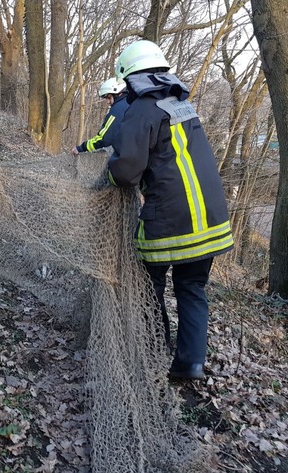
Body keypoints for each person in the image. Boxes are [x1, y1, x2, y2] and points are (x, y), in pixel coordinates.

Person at [107, 40, 234, 380]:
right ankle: (190, 364)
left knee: (151, 286)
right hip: (211, 219)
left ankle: (153, 347)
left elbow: (126, 171)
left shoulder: (141, 111)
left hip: (169, 220)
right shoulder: (182, 104)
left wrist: (108, 172)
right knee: (192, 288)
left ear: (129, 78)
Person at [71, 77, 129, 156]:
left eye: (109, 98)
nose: (108, 102)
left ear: (119, 94)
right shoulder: (132, 103)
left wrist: (81, 148)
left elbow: (104, 138)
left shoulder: (118, 109)